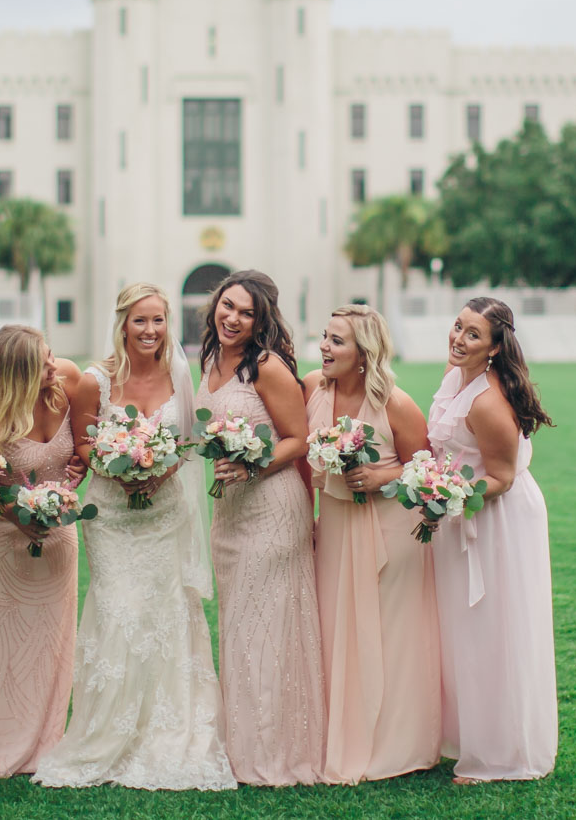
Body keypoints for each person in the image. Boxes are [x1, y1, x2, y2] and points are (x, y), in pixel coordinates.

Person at [32, 284, 235, 791]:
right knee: (119, 608)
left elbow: (188, 438)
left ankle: (165, 730)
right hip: (113, 514)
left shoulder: (180, 374)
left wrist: (160, 472)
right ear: (122, 324)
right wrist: (119, 470)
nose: (150, 331)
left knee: (165, 610)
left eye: (158, 320)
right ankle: (106, 731)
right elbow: (83, 439)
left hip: (165, 512)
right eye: (140, 321)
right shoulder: (94, 380)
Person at [195, 269, 325, 786]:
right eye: (227, 306)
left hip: (272, 507)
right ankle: (240, 743)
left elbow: (298, 439)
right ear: (215, 306)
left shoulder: (266, 367)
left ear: (261, 319)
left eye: (246, 312)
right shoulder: (209, 360)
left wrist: (253, 465)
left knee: (267, 628)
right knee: (238, 626)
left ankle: (273, 751)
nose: (233, 318)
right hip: (229, 512)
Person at [302, 305, 442, 784]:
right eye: (324, 337)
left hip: (389, 530)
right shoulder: (311, 390)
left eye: (336, 341)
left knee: (391, 634)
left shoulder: (395, 404)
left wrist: (382, 472)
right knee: (337, 628)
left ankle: (397, 745)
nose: (324, 347)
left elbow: (424, 466)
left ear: (364, 354)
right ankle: (340, 734)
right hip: (338, 525)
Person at [429, 297, 559, 784]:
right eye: (458, 327)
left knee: (495, 630)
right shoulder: (455, 374)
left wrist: (445, 494)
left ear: (495, 348)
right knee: (463, 631)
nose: (458, 339)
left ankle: (503, 755)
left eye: (472, 335)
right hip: (460, 514)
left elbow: (501, 476)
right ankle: (469, 735)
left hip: (497, 521)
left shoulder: (488, 400)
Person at [0, 325, 84, 777]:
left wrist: (73, 479)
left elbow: (84, 447)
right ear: (18, 374)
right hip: (0, 541)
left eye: (51, 356)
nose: (55, 366)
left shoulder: (67, 382)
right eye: (43, 364)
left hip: (59, 539)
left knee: (50, 646)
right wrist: (18, 515)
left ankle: (44, 741)